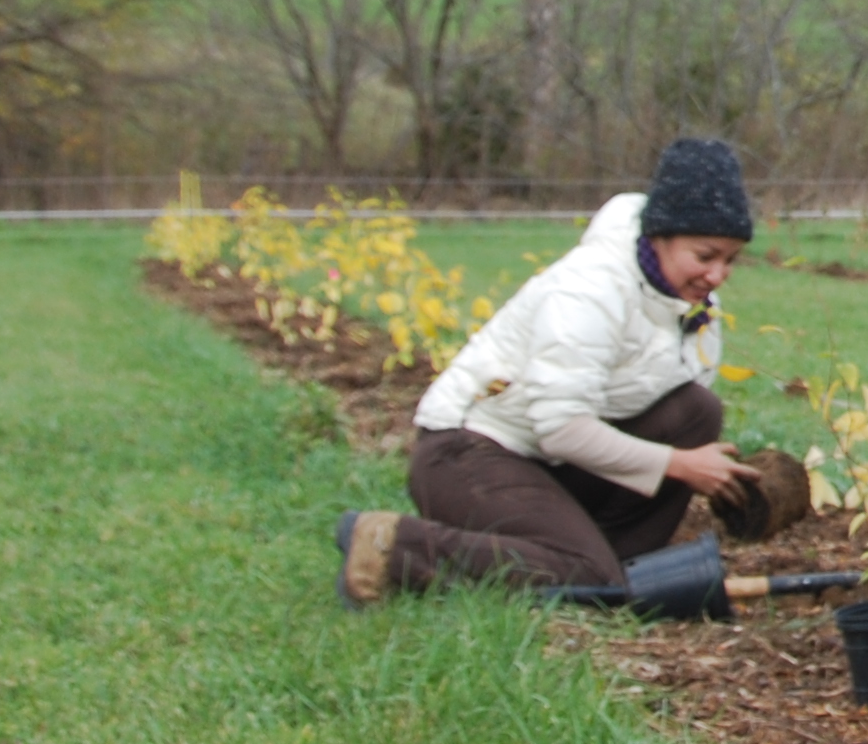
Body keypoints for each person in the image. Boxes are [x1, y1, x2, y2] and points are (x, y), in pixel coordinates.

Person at [334, 136, 799, 618]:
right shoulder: (590, 289)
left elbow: (666, 416)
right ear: (659, 235)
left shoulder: (691, 304)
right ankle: (392, 544)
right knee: (589, 574)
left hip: (549, 461)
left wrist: (718, 478)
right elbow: (561, 429)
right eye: (705, 256)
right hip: (469, 452)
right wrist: (680, 465)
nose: (718, 274)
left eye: (730, 260)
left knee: (696, 412)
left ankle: (607, 568)